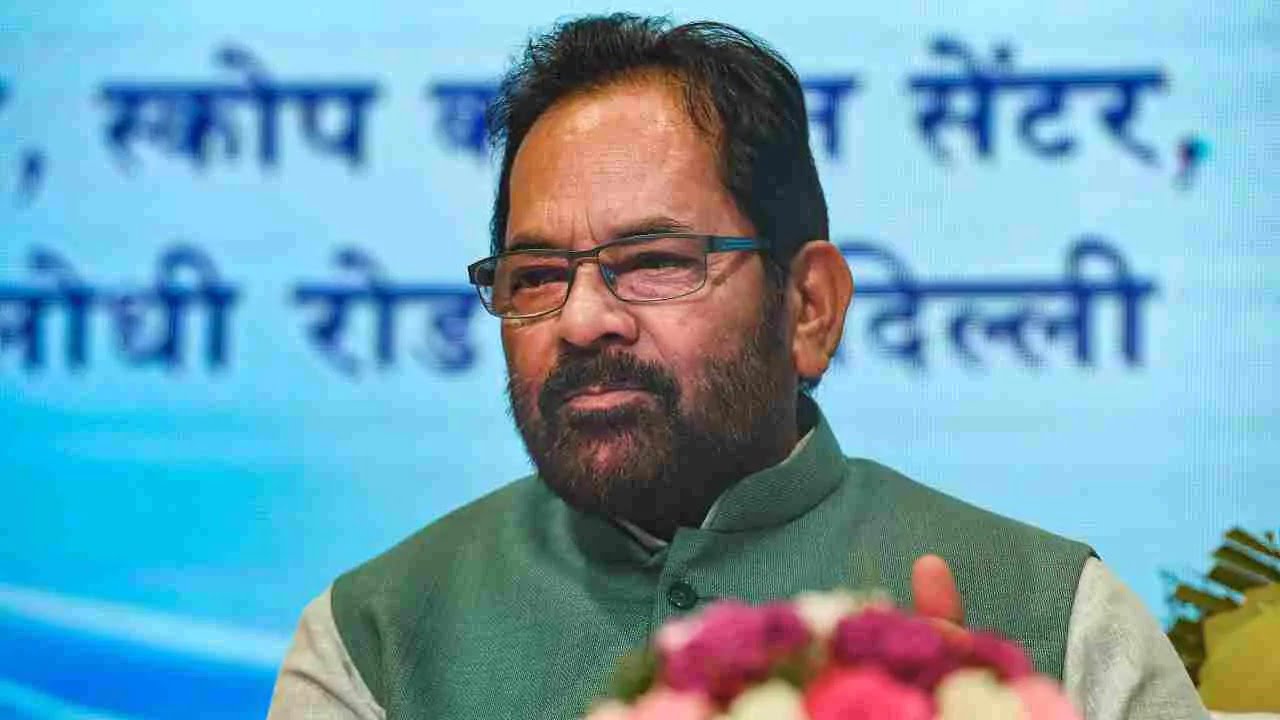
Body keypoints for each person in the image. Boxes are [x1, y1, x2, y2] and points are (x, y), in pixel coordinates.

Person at [267, 14, 1207, 720]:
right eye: (537, 275)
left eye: (655, 261)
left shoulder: (1062, 621)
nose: (583, 320)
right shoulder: (374, 641)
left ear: (809, 307)